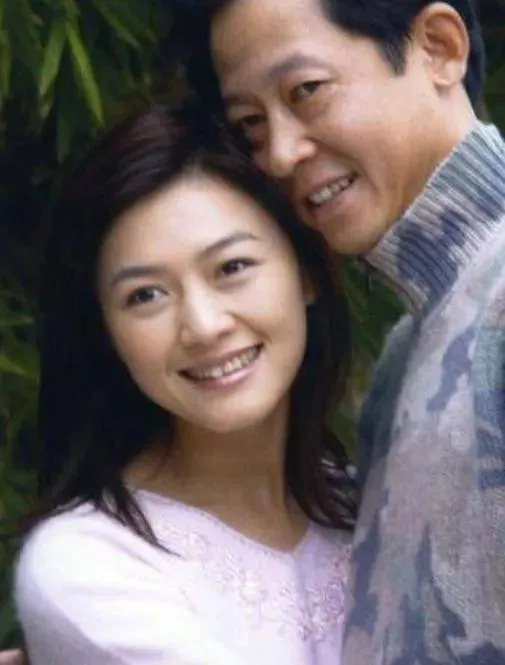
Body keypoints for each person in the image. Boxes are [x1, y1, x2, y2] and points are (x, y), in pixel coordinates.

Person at [169, 0, 505, 663]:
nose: (279, 154)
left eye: (306, 91)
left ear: (438, 47)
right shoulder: (403, 357)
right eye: (250, 125)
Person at [13, 101, 355, 665]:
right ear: (107, 333)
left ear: (306, 272)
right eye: (145, 295)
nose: (203, 325)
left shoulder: (371, 502)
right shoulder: (89, 569)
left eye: (231, 267)